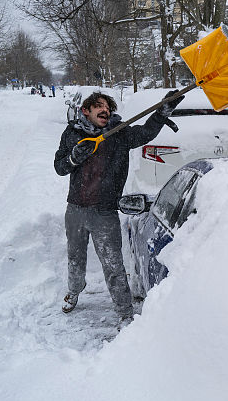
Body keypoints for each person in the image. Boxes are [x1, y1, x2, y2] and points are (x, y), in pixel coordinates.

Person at [54, 90, 183, 322]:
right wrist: (74, 157)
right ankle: (74, 291)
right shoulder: (72, 133)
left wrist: (163, 110)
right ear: (86, 110)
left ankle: (124, 314)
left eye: (108, 108)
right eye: (99, 106)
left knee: (113, 265)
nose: (105, 110)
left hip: (105, 212)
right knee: (75, 257)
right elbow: (60, 167)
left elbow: (145, 133)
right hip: (75, 209)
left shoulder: (119, 133)